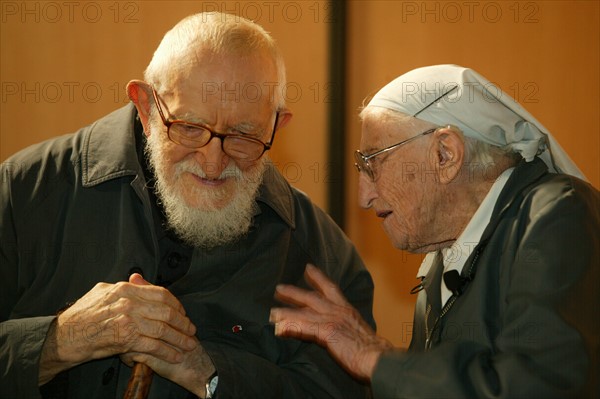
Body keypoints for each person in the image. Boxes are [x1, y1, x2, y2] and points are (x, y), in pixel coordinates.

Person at [0, 12, 376, 399]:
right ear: (146, 107)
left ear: (275, 127)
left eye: (244, 136)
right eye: (189, 128)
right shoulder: (23, 193)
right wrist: (59, 341)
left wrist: (208, 373)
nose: (213, 163)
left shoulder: (321, 258)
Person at [270, 65, 599, 398]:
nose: (363, 197)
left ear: (446, 154)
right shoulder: (440, 263)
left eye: (373, 163)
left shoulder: (556, 214)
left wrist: (375, 359)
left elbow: (542, 387)